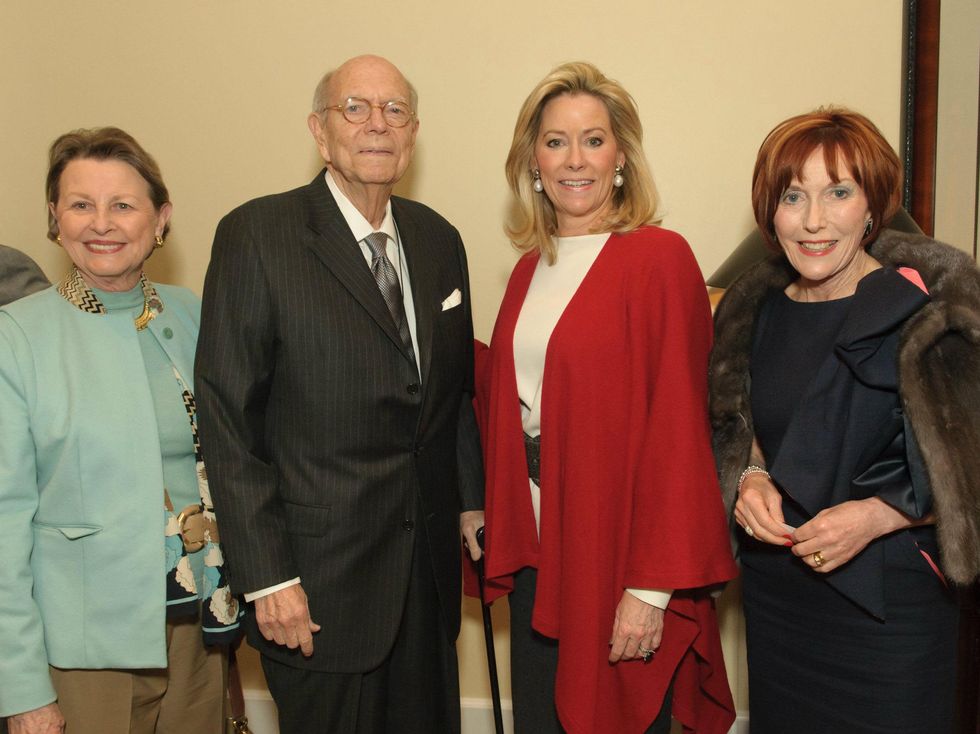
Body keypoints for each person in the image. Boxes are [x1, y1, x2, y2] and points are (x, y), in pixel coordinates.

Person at [194, 55, 484, 734]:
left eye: (395, 111)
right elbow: (228, 421)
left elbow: (450, 396)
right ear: (319, 132)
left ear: (413, 134)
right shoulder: (258, 236)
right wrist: (267, 578)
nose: (376, 125)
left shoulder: (440, 240)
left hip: (426, 581)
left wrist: (471, 501)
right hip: (316, 587)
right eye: (355, 108)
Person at [475, 61, 737, 734]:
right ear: (532, 161)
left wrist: (650, 591)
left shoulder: (659, 260)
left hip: (617, 559)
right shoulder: (530, 270)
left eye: (593, 139)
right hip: (539, 554)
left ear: (621, 155)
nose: (575, 160)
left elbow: (681, 434)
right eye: (555, 141)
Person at [709, 107, 980, 733]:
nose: (812, 221)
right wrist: (750, 477)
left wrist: (877, 516)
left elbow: (970, 471)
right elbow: (741, 423)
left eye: (838, 192)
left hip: (892, 611)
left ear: (872, 204)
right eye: (792, 196)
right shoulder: (754, 314)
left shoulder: (932, 313)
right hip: (780, 600)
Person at [0, 127, 241, 734]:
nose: (100, 223)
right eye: (81, 204)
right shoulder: (16, 336)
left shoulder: (191, 312)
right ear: (55, 219)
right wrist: (22, 687)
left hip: (200, 628)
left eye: (123, 205)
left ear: (161, 220)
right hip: (83, 647)